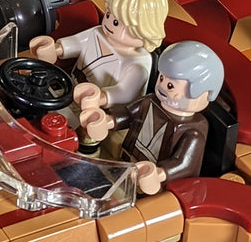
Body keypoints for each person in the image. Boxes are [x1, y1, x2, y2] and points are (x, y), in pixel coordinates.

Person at [79, 40, 224, 194]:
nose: (161, 86)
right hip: (125, 163)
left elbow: (183, 163)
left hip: (153, 184)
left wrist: (159, 173)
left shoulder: (192, 131)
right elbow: (128, 114)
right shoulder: (149, 101)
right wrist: (108, 121)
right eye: (161, 78)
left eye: (170, 86)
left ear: (202, 93)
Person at [27, 0, 169, 126]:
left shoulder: (137, 64)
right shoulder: (98, 33)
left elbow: (125, 93)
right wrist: (56, 49)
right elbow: (77, 42)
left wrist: (100, 98)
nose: (107, 22)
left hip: (99, 113)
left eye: (116, 22)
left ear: (143, 29)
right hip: (69, 90)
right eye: (108, 15)